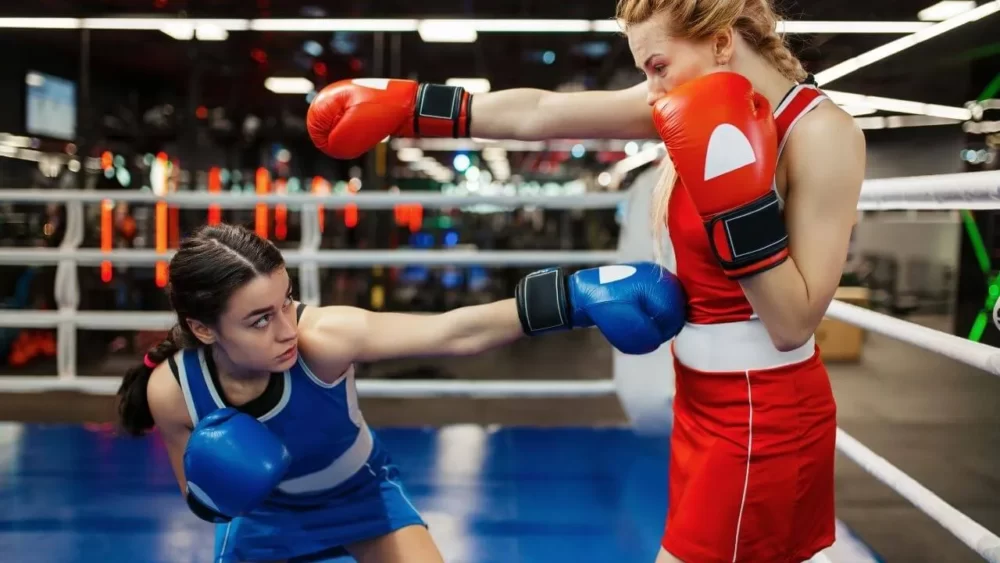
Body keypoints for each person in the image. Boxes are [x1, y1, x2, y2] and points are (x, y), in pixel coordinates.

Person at [306, 0, 867, 561]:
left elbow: (793, 323)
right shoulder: (681, 99)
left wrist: (738, 207)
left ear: (721, 42)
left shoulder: (819, 132)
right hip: (703, 399)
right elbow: (542, 112)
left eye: (656, 66)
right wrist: (411, 107)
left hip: (763, 413)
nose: (650, 90)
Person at [116, 222, 686, 563]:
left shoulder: (325, 339)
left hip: (363, 499)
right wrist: (220, 488)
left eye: (287, 301)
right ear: (204, 328)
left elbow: (451, 331)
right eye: (259, 320)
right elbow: (202, 501)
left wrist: (571, 300)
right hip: (265, 520)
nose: (287, 328)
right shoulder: (175, 392)